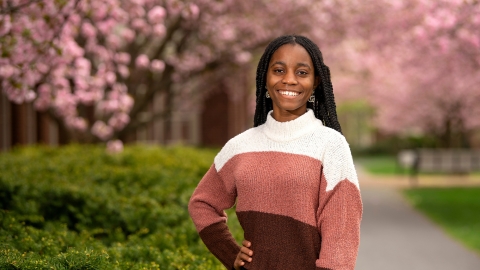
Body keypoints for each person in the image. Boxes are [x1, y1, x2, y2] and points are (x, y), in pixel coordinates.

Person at [188, 34, 362, 270]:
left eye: (302, 72)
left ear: (316, 82)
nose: (289, 80)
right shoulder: (240, 146)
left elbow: (341, 236)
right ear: (265, 78)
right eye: (279, 70)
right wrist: (230, 254)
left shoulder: (331, 145)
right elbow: (202, 203)